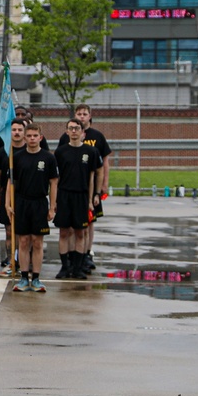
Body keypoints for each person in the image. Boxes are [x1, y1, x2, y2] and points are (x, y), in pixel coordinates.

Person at [59, 104, 111, 274]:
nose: (82, 116)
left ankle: (85, 256)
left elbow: (103, 165)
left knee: (88, 224)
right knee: (68, 229)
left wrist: (101, 187)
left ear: (89, 116)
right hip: (67, 190)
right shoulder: (64, 143)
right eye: (79, 114)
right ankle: (70, 262)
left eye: (84, 114)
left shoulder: (97, 138)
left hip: (87, 189)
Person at [6, 123, 59, 292]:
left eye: (35, 136)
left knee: (37, 242)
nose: (32, 139)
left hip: (39, 203)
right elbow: (10, 182)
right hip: (21, 202)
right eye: (28, 136)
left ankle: (36, 278)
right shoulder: (17, 157)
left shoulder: (48, 158)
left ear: (40, 137)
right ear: (24, 137)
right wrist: (8, 204)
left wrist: (52, 207)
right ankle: (23, 278)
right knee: (23, 241)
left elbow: (53, 183)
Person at [54, 118, 101, 280]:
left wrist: (91, 198)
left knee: (81, 233)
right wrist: (54, 201)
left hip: (81, 196)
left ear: (82, 132)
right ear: (67, 132)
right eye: (71, 128)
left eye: (77, 128)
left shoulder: (90, 152)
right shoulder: (60, 152)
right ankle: (65, 266)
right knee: (64, 232)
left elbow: (91, 177)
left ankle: (78, 267)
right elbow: (56, 178)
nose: (74, 131)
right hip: (64, 195)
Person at [0, 118, 27, 277]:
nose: (17, 132)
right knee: (9, 231)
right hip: (7, 195)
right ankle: (10, 260)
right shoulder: (3, 152)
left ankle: (23, 260)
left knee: (24, 232)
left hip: (25, 196)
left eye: (20, 130)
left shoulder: (29, 150)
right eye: (14, 130)